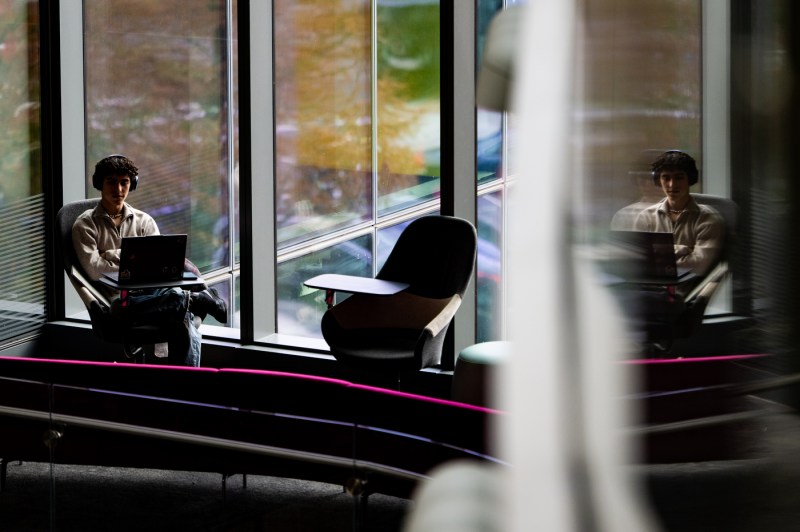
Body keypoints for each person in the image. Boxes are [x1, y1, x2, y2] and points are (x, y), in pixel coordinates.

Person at [71, 154, 227, 366]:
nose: (118, 189)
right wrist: (127, 256)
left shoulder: (144, 221)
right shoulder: (85, 225)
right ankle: (195, 301)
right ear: (99, 183)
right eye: (111, 182)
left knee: (176, 307)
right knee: (170, 316)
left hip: (154, 293)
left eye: (124, 182)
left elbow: (158, 264)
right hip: (117, 300)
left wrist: (109, 255)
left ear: (132, 184)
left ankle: (184, 385)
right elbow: (94, 270)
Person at [632, 150, 725, 278]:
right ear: (659, 180)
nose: (672, 184)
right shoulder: (645, 217)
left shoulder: (708, 219)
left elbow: (698, 266)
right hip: (651, 288)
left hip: (685, 293)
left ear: (690, 179)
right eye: (666, 177)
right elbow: (638, 261)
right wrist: (683, 250)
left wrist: (659, 258)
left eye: (679, 177)